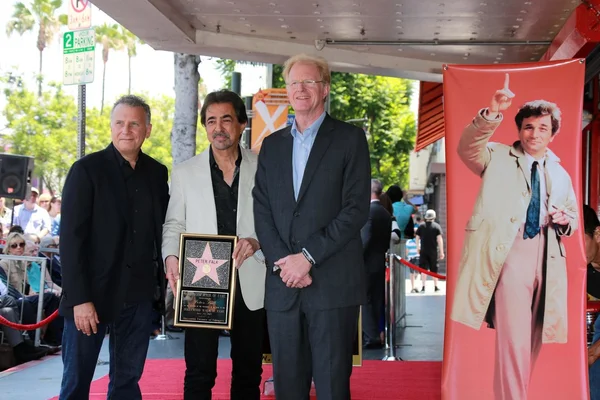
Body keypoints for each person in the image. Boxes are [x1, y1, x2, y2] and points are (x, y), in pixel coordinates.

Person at [450, 73, 578, 399]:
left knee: (531, 343)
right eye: (529, 127)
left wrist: (565, 220)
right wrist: (493, 111)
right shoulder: (496, 156)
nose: (535, 134)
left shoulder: (560, 172)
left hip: (548, 262)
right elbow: (467, 148)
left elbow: (573, 219)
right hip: (510, 256)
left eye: (543, 128)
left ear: (553, 133)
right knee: (513, 343)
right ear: (519, 129)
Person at [253, 53, 371, 400]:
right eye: (293, 83)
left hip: (332, 287)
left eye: (309, 82)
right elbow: (262, 209)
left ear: (325, 89)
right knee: (288, 387)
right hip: (283, 287)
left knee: (333, 387)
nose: (300, 89)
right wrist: (285, 263)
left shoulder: (350, 139)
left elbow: (355, 210)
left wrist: (307, 257)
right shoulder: (272, 146)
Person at [58, 95, 170, 399]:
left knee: (127, 382)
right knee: (76, 383)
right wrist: (79, 299)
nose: (126, 130)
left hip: (139, 297)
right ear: (111, 126)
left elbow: (163, 231)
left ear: (147, 129)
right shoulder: (85, 171)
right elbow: (70, 241)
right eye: (120, 123)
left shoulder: (158, 174)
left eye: (134, 123)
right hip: (91, 298)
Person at [162, 89, 266, 400]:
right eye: (210, 121)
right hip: (200, 281)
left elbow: (276, 221)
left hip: (251, 278)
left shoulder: (266, 168)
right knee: (199, 370)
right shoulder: (184, 173)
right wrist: (170, 256)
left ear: (242, 123)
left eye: (226, 119)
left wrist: (258, 241)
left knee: (249, 371)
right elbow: (174, 224)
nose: (218, 128)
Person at [360, 179, 391, 348]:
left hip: (366, 263)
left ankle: (371, 336)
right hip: (380, 261)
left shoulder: (368, 212)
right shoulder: (385, 213)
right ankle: (378, 334)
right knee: (378, 299)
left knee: (365, 299)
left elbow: (365, 238)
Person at [415, 209, 444, 293]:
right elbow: (439, 240)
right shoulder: (437, 226)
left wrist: (418, 247)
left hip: (423, 251)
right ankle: (436, 286)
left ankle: (423, 286)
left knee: (423, 269)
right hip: (433, 251)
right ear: (434, 217)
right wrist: (442, 252)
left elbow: (417, 237)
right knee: (434, 269)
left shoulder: (421, 226)